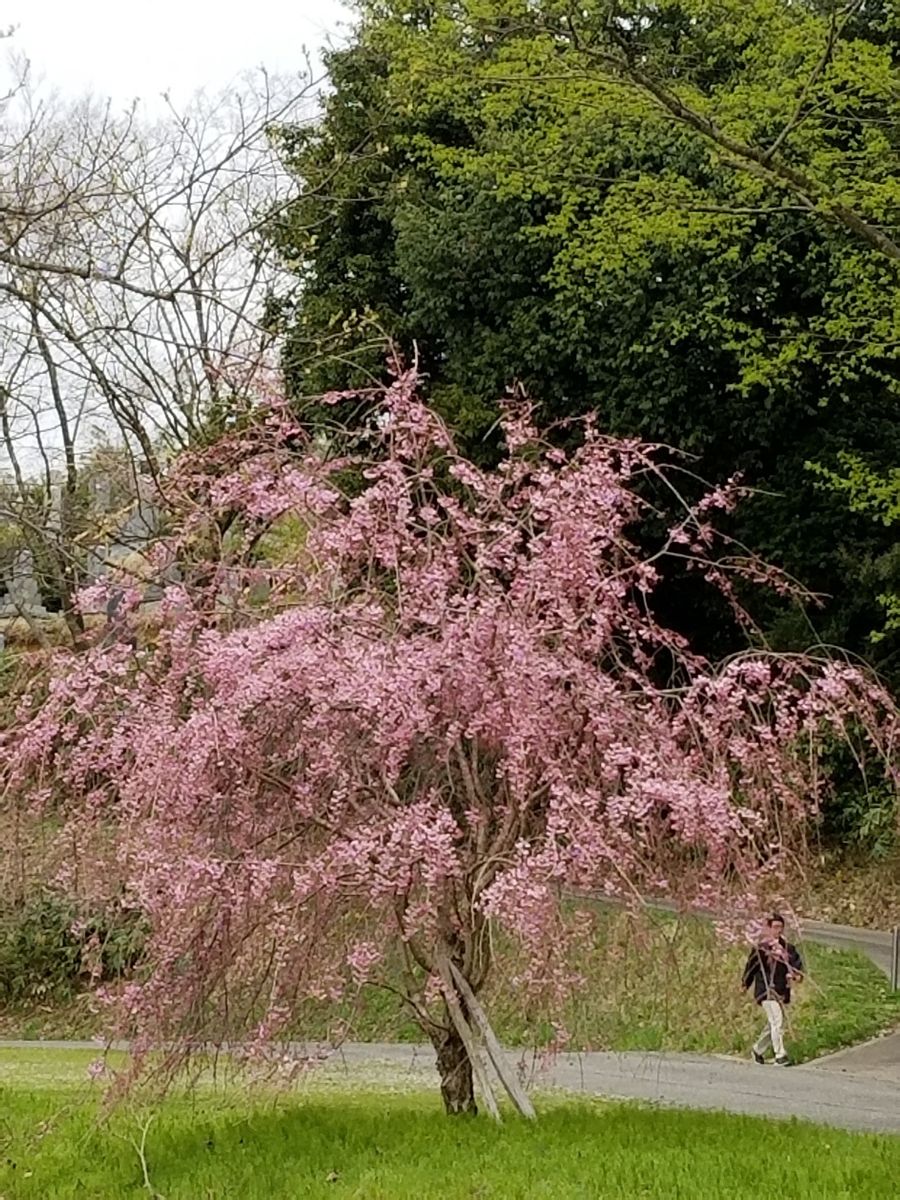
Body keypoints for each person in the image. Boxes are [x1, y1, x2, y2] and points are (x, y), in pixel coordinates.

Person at [741, 913, 803, 1066]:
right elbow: (752, 968)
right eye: (775, 927)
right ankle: (780, 1055)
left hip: (781, 989)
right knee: (777, 1021)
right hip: (766, 989)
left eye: (780, 927)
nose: (778, 930)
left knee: (773, 1024)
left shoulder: (788, 948)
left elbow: (796, 965)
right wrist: (745, 984)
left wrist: (797, 975)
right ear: (768, 928)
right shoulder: (762, 948)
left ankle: (758, 1050)